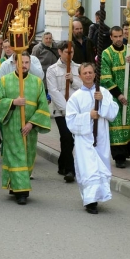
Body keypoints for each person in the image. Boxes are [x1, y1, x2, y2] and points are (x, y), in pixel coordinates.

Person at [0, 51, 51, 205]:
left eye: (26, 63)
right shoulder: (4, 81)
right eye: (21, 63)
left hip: (29, 129)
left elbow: (43, 106)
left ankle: (15, 184)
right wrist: (12, 103)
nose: (24, 66)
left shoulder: (37, 83)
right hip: (11, 129)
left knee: (27, 158)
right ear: (16, 64)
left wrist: (31, 124)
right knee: (16, 158)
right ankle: (22, 193)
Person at [66, 63, 119, 214]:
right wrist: (88, 115)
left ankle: (99, 195)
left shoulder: (103, 92)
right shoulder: (75, 97)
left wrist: (102, 101)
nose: (88, 75)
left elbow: (113, 112)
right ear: (80, 76)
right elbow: (70, 120)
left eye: (91, 72)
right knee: (88, 169)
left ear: (95, 74)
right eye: (85, 73)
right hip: (85, 139)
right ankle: (90, 201)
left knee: (101, 167)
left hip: (101, 137)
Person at [100, 26, 130, 168]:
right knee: (117, 124)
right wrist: (119, 95)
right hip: (115, 96)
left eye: (120, 36)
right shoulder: (106, 54)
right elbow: (106, 78)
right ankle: (118, 157)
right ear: (111, 37)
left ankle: (127, 152)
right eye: (116, 37)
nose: (119, 39)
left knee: (129, 122)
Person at [46, 40, 82, 182]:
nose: (70, 54)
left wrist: (74, 80)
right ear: (60, 52)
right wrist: (67, 110)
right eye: (67, 52)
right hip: (61, 111)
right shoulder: (52, 70)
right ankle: (70, 170)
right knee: (66, 137)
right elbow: (53, 91)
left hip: (77, 111)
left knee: (70, 140)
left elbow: (83, 87)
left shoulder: (78, 68)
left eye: (72, 52)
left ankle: (62, 163)